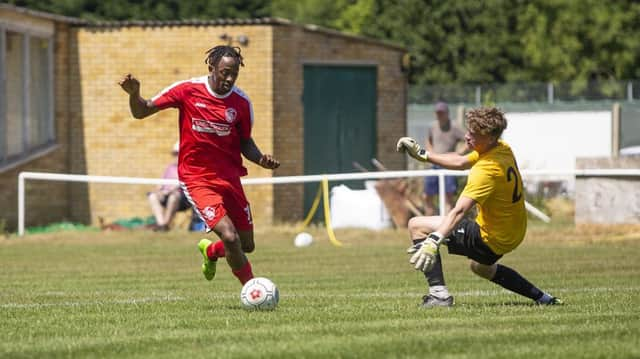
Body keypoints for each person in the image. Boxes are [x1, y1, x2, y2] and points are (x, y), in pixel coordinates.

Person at [119, 45, 280, 286]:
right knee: (229, 236)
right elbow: (141, 112)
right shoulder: (188, 91)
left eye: (234, 73)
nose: (229, 78)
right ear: (211, 67)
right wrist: (134, 94)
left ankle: (211, 252)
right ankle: (253, 289)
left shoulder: (242, 103)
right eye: (225, 72)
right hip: (197, 179)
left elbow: (245, 142)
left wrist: (261, 159)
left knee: (246, 245)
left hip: (229, 178)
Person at [396, 107, 562, 308]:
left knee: (417, 225)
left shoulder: (485, 170)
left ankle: (439, 296)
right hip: (513, 234)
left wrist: (434, 240)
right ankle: (543, 298)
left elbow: (459, 211)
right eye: (468, 130)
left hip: (490, 238)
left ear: (490, 137)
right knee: (481, 268)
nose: (467, 137)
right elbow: (459, 161)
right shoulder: (502, 148)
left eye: (474, 134)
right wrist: (423, 154)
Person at [423, 101, 465, 215]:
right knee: (427, 195)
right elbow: (428, 140)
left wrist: (459, 153)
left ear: (447, 113)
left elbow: (467, 140)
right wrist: (430, 154)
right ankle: (430, 223)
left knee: (448, 196)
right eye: (437, 113)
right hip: (433, 164)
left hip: (448, 164)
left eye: (441, 113)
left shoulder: (455, 126)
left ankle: (448, 225)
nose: (439, 115)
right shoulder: (432, 126)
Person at [147, 141, 191, 232]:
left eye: (177, 154)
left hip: (182, 199)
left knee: (173, 197)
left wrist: (170, 191)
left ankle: (166, 225)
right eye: (174, 154)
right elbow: (161, 183)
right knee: (152, 196)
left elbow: (182, 184)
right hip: (165, 195)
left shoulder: (186, 168)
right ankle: (161, 224)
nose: (175, 156)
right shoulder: (169, 168)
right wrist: (158, 191)